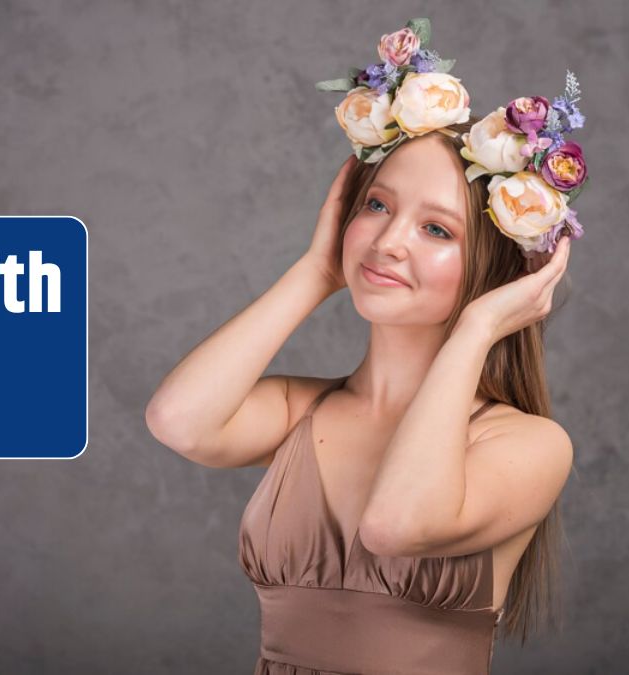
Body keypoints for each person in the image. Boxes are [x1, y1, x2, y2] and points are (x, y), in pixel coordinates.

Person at [145, 17, 589, 675]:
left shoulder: (530, 445)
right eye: (377, 206)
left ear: (494, 273)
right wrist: (314, 271)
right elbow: (176, 420)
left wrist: (475, 330)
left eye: (436, 229)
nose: (389, 242)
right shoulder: (304, 412)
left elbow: (396, 524)